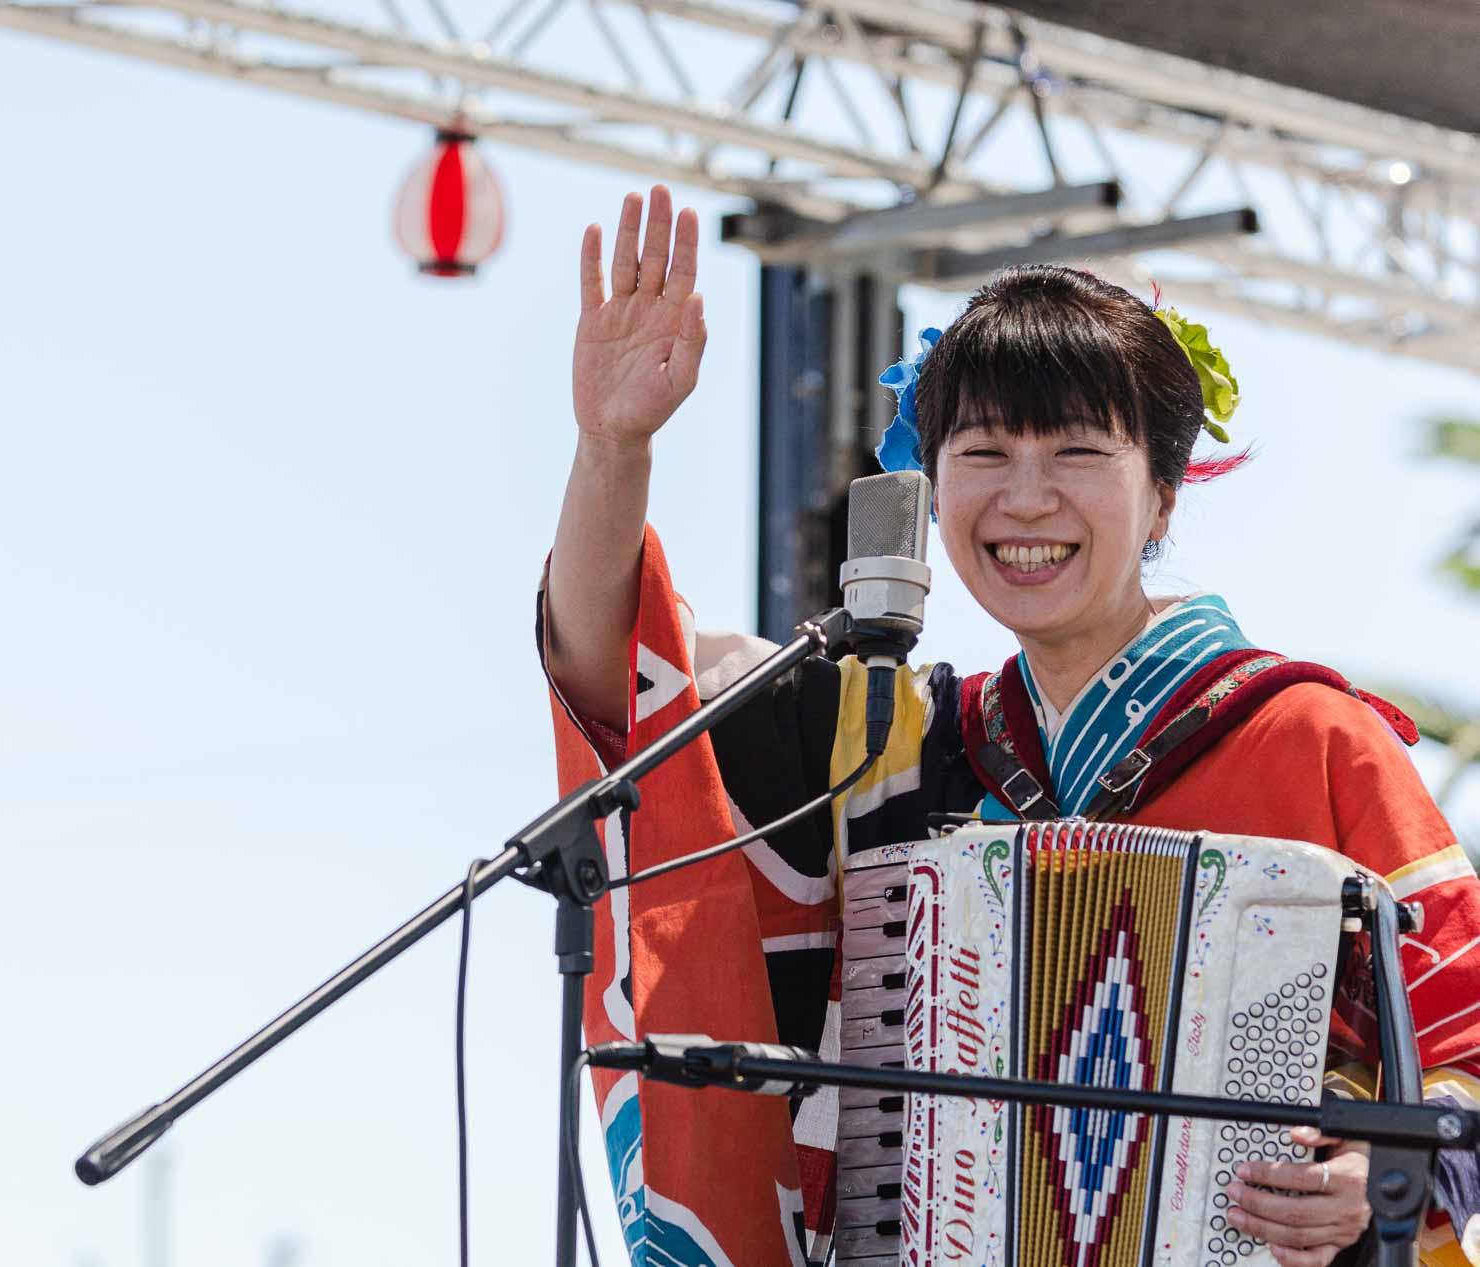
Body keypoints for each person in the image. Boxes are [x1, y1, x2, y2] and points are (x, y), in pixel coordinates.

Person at [540, 186, 1480, 1267]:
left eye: (1077, 452)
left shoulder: (1305, 734)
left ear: (1163, 496)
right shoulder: (889, 741)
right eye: (983, 453)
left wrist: (1379, 1175)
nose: (1025, 499)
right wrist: (613, 447)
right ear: (933, 492)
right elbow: (623, 685)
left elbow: (1468, 1031)